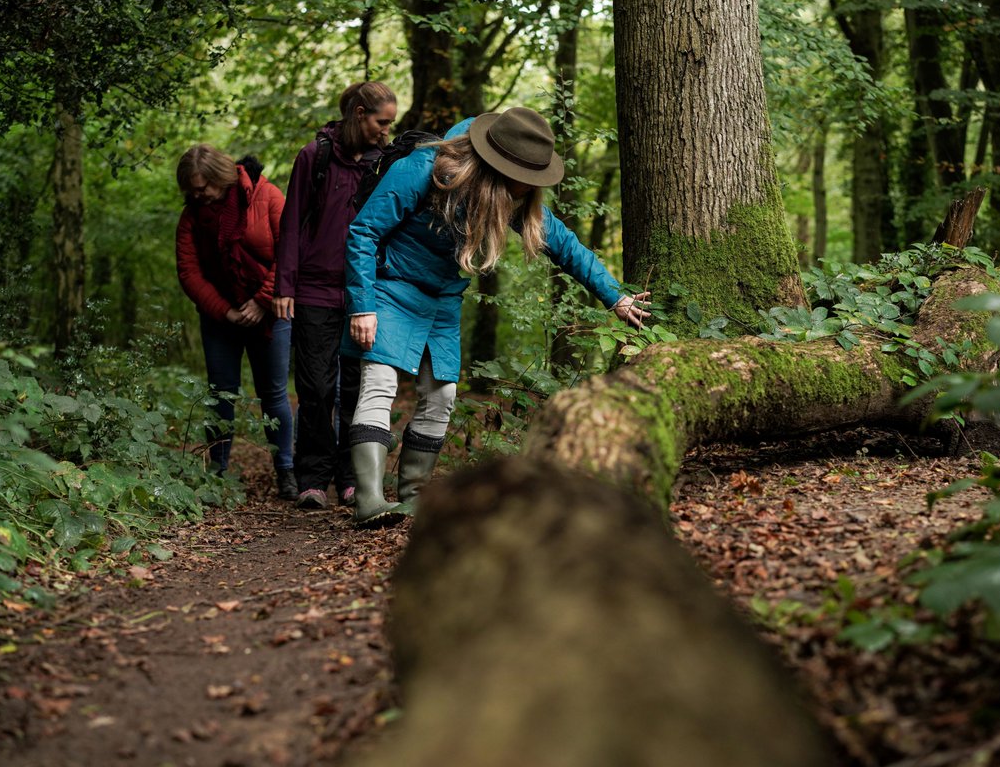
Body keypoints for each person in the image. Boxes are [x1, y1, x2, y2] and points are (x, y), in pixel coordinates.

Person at [344, 106, 650, 524]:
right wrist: (362, 306)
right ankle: (369, 501)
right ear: (498, 164)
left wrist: (615, 296)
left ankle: (414, 496)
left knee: (442, 397)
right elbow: (364, 232)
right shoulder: (426, 168)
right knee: (379, 384)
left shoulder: (515, 194)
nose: (530, 186)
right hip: (392, 287)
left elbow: (561, 242)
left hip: (444, 300)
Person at [274, 81, 398, 511]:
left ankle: (350, 478)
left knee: (357, 389)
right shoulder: (315, 157)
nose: (386, 131)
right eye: (382, 122)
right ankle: (312, 479)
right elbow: (291, 222)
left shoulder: (386, 163)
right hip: (313, 289)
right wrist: (284, 285)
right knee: (316, 388)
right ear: (360, 113)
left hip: (365, 293)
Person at [175, 144, 295, 499]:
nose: (199, 195)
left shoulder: (267, 196)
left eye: (204, 187)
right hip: (220, 317)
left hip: (271, 312)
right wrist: (224, 311)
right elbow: (189, 271)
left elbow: (289, 250)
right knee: (220, 394)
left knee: (273, 394)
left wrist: (262, 301)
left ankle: (285, 471)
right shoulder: (192, 217)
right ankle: (218, 472)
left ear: (221, 177)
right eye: (192, 190)